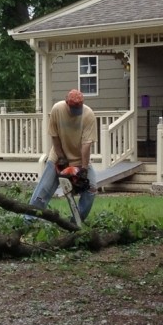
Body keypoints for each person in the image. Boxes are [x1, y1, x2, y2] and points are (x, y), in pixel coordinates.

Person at [25, 89, 97, 224]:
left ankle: (76, 222)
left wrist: (84, 168)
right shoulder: (57, 110)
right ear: (67, 103)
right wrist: (61, 157)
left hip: (80, 159)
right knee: (43, 190)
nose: (77, 110)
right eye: (74, 107)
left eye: (79, 107)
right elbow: (55, 136)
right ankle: (29, 220)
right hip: (58, 157)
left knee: (91, 188)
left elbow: (86, 145)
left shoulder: (88, 115)